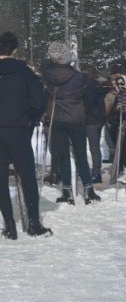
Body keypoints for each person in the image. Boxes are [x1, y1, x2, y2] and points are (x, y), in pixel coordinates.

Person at [0, 32, 51, 239]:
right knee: (27, 177)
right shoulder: (25, 73)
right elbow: (40, 98)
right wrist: (30, 117)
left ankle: (9, 226)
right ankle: (34, 223)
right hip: (18, 129)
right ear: (15, 50)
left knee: (0, 179)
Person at [41, 41, 100, 205]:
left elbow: (43, 66)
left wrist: (52, 59)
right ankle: (88, 189)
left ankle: (66, 190)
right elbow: (88, 100)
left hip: (58, 118)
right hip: (76, 118)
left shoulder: (49, 75)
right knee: (81, 155)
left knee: (63, 156)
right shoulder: (80, 77)